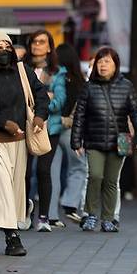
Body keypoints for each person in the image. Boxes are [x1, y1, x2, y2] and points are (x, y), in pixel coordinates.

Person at [0, 28, 49, 256]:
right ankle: (12, 238)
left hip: (19, 142)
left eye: (6, 46)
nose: (4, 51)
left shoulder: (23, 72)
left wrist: (40, 116)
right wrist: (3, 123)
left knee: (14, 192)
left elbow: (41, 94)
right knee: (2, 188)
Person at [71, 47, 137, 233]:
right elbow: (79, 115)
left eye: (107, 61)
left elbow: (136, 113)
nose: (103, 65)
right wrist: (76, 140)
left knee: (112, 181)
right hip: (94, 139)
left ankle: (108, 218)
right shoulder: (89, 87)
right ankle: (90, 214)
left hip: (120, 139)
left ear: (115, 65)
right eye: (100, 61)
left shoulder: (126, 85)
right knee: (95, 176)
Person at [23, 30, 67, 232]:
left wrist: (40, 102)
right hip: (26, 126)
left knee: (43, 170)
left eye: (42, 42)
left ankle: (44, 217)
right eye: (34, 41)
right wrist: (44, 97)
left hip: (50, 127)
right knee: (23, 172)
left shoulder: (58, 71)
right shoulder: (22, 69)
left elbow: (59, 102)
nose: (37, 45)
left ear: (49, 47)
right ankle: (23, 215)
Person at [55, 43, 88, 223]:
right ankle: (70, 204)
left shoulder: (53, 78)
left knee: (52, 170)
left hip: (51, 128)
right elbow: (81, 110)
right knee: (78, 166)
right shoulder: (79, 82)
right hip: (69, 130)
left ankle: (49, 210)